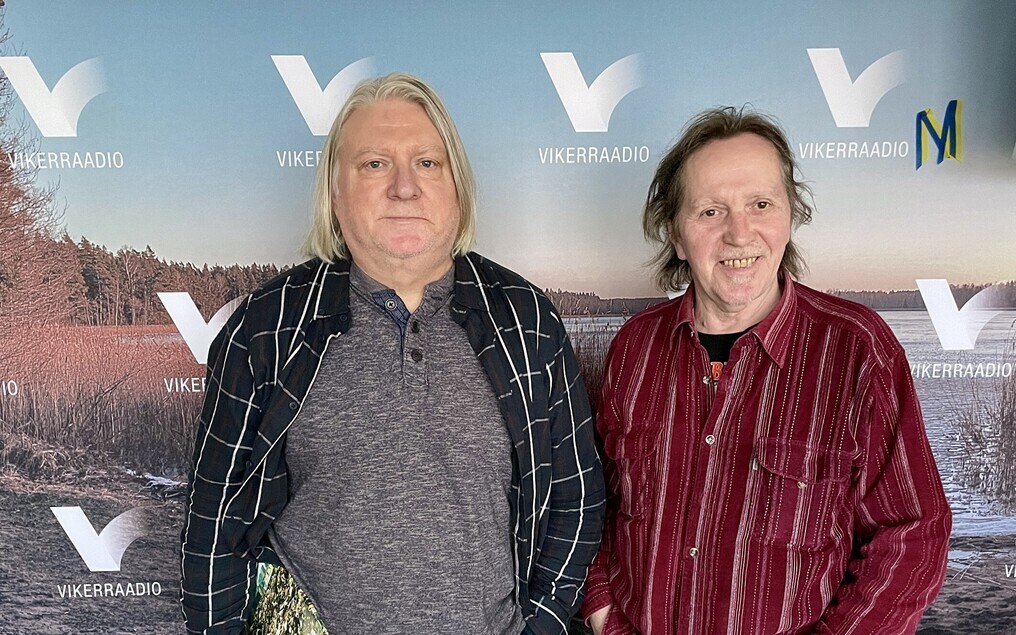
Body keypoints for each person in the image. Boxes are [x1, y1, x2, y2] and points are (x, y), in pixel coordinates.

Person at [180, 72, 604, 635]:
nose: (405, 187)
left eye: (427, 162)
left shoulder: (525, 320)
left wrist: (542, 625)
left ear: (458, 188)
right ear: (335, 194)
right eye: (374, 164)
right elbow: (213, 522)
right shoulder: (267, 326)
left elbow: (576, 498)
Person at [582, 107, 950, 635]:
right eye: (710, 211)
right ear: (676, 235)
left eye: (761, 204)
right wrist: (604, 614)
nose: (739, 233)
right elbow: (595, 504)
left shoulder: (857, 350)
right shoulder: (634, 349)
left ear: (789, 216)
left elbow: (912, 533)